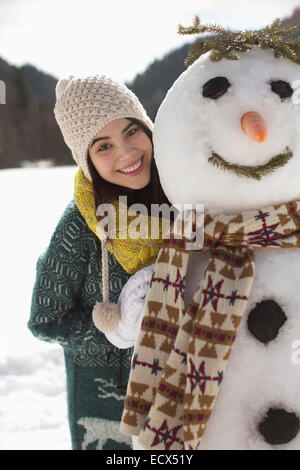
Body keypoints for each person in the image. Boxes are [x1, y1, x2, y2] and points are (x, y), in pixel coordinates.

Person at [28, 74, 171, 450]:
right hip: (109, 408)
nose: (126, 153)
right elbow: (46, 318)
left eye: (132, 132)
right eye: (103, 145)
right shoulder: (79, 226)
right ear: (86, 159)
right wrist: (119, 327)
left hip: (183, 392)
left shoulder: (184, 197)